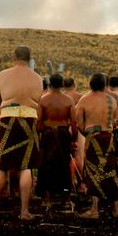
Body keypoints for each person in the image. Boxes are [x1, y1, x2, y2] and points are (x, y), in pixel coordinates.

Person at [0, 45, 43, 221]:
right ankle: (24, 211)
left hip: (8, 118)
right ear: (29, 58)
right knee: (26, 166)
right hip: (29, 118)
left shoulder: (4, 75)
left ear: (14, 57)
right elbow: (38, 101)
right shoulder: (38, 78)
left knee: (2, 166)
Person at [76, 73, 118, 219]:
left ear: (90, 84)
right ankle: (116, 209)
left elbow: (79, 124)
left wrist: (88, 135)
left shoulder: (84, 100)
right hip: (108, 136)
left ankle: (94, 209)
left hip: (92, 137)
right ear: (104, 85)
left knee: (92, 172)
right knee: (111, 170)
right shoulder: (111, 100)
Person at [36, 72, 77, 208]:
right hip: (63, 133)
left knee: (46, 165)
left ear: (50, 85)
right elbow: (74, 123)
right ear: (62, 85)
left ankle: (47, 198)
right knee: (64, 165)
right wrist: (74, 139)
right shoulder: (68, 100)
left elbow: (38, 122)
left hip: (48, 134)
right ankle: (66, 199)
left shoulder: (43, 100)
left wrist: (40, 135)